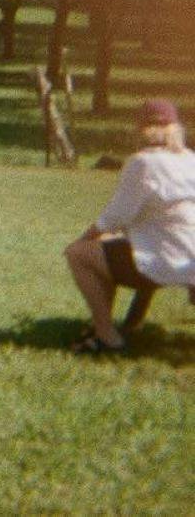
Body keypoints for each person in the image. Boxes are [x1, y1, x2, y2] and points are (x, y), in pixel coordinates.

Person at [63, 97, 195, 354]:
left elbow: (113, 218)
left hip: (168, 257)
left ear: (141, 129)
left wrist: (83, 239)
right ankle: (129, 324)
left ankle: (107, 337)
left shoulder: (142, 162)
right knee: (122, 248)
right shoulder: (190, 159)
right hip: (189, 256)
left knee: (80, 254)